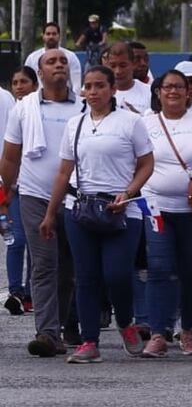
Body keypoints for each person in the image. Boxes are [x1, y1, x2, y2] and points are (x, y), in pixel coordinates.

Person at [40, 65, 154, 363]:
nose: (93, 92)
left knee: (116, 274)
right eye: (88, 86)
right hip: (80, 209)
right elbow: (64, 171)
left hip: (121, 210)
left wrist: (129, 192)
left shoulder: (131, 122)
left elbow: (146, 164)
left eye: (100, 86)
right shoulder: (74, 124)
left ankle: (126, 322)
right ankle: (89, 341)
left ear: (112, 89)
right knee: (86, 277)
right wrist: (51, 214)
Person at [0, 49, 85, 356]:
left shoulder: (84, 106)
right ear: (41, 72)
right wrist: (4, 196)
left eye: (63, 61)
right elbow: (11, 156)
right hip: (35, 196)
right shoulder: (24, 109)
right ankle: (46, 332)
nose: (59, 65)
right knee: (44, 264)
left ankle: (59, 328)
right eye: (52, 62)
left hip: (77, 199)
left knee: (68, 267)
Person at [140, 68, 192, 358]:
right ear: (158, 92)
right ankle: (158, 333)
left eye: (179, 87)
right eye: (167, 87)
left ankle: (188, 331)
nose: (173, 92)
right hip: (156, 206)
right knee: (159, 269)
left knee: (188, 272)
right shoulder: (145, 123)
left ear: (189, 92)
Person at [3, 65, 38, 316]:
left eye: (24, 81)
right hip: (12, 186)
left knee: (37, 242)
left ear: (35, 85)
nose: (19, 87)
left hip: (36, 187)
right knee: (16, 239)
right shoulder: (9, 108)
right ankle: (15, 291)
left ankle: (31, 292)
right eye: (15, 82)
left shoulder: (40, 112)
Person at [25, 22, 83, 88]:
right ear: (43, 36)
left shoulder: (71, 56)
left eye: (54, 34)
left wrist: (73, 98)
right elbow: (26, 81)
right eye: (48, 34)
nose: (51, 37)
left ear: (59, 36)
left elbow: (76, 84)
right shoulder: (32, 58)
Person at [102, 42, 152, 114]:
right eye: (113, 66)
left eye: (123, 66)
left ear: (132, 64)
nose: (118, 71)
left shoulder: (150, 92)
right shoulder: (100, 93)